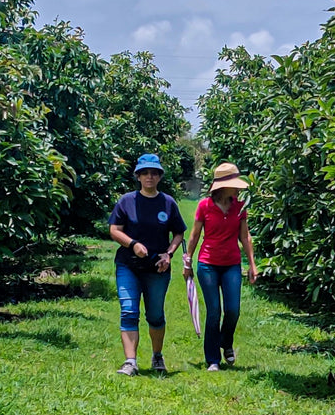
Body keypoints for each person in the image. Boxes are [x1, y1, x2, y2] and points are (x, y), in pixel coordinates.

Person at [108, 154, 187, 375]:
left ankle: (157, 356)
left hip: (157, 268)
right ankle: (130, 362)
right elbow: (114, 230)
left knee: (155, 315)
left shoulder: (168, 203)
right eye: (145, 173)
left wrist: (169, 254)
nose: (149, 176)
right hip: (128, 265)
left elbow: (179, 231)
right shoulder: (126, 201)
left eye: (153, 173)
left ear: (159, 176)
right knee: (129, 311)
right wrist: (132, 244)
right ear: (138, 176)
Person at [184, 162, 259, 371]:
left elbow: (245, 236)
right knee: (214, 311)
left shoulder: (240, 206)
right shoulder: (205, 206)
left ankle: (226, 342)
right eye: (234, 184)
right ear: (222, 186)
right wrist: (187, 261)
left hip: (232, 265)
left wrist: (252, 265)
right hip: (207, 264)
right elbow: (195, 235)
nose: (237, 188)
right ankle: (213, 359)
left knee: (233, 310)